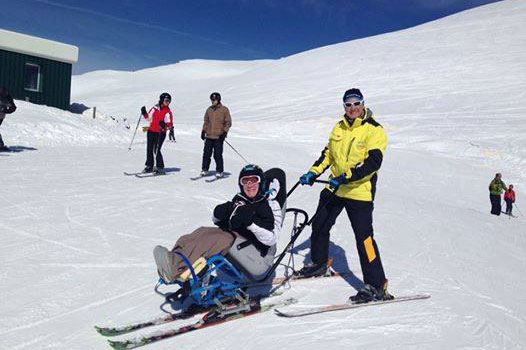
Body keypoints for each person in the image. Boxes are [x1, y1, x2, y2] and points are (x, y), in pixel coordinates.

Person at [297, 88, 392, 304]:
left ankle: (376, 285)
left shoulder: (374, 130)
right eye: (348, 105)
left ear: (363, 104)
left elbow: (372, 163)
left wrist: (345, 177)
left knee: (364, 238)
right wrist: (313, 172)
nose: (352, 108)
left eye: (356, 103)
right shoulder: (338, 127)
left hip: (359, 191)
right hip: (335, 187)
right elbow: (328, 154)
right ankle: (319, 263)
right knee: (319, 224)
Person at [153, 164, 281, 284]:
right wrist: (220, 214)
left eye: (254, 180)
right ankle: (172, 260)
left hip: (255, 252)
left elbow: (272, 239)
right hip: (236, 238)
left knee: (214, 239)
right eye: (245, 181)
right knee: (201, 232)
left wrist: (250, 223)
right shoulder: (240, 200)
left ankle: (176, 268)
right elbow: (221, 220)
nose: (249, 184)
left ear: (261, 182)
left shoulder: (270, 204)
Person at [200, 92, 232, 179]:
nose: (213, 101)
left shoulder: (224, 109)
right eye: (212, 100)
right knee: (206, 154)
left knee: (217, 155)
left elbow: (228, 122)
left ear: (218, 100)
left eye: (214, 100)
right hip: (209, 136)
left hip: (218, 137)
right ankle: (205, 169)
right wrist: (203, 131)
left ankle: (220, 171)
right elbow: (206, 121)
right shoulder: (209, 110)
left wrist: (224, 133)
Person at [141, 93, 173, 174]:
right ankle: (149, 166)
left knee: (156, 149)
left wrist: (164, 125)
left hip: (160, 132)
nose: (167, 103)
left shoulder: (167, 111)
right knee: (149, 149)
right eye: (166, 101)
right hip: (151, 131)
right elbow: (148, 118)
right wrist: (144, 112)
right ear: (162, 100)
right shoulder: (155, 108)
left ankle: (160, 167)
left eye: (169, 101)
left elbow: (169, 124)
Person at [0, 87, 17, 152]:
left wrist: (5, 110)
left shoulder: (8, 97)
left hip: (1, 115)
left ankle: (0, 145)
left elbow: (13, 108)